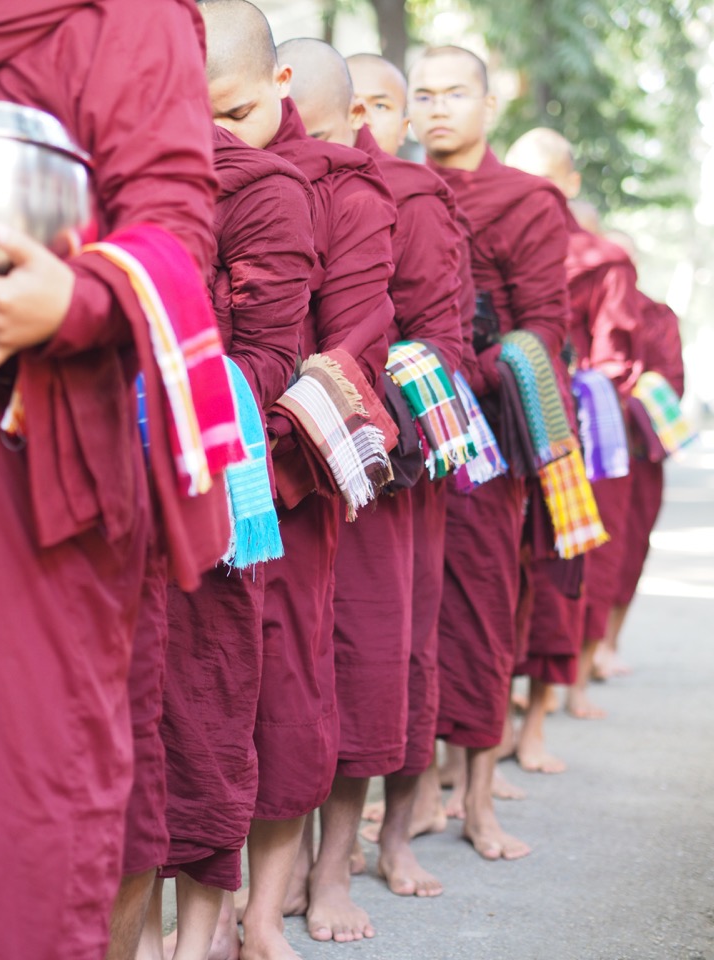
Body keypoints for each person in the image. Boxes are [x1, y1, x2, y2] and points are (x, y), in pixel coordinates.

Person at [0, 1, 231, 958]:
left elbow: (174, 230)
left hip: (30, 462)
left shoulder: (125, 18)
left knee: (32, 801)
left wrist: (77, 297)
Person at [197, 4, 397, 958]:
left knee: (287, 692)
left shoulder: (350, 196)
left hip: (288, 476)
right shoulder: (187, 173)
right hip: (192, 474)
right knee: (201, 695)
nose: (216, 139)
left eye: (232, 116)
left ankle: (270, 909)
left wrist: (264, 441)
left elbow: (358, 342)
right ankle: (199, 903)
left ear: (283, 93)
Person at [273, 41, 464, 939]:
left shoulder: (404, 198)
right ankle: (275, 872)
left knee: (368, 664)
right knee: (281, 677)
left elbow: (444, 345)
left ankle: (346, 858)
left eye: (393, 106)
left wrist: (350, 394)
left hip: (377, 469)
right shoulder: (245, 178)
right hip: (279, 464)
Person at [135, 125, 316, 960]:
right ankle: (130, 937)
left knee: (209, 710)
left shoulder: (266, 189)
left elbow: (275, 350)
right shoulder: (109, 155)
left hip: (216, 472)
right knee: (122, 729)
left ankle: (202, 933)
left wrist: (180, 390)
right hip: (104, 471)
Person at [407, 47, 571, 860]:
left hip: (483, 435)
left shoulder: (528, 201)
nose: (438, 108)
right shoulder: (397, 188)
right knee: (403, 615)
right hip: (403, 429)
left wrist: (481, 359)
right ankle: (413, 794)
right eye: (424, 94)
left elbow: (547, 323)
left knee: (477, 608)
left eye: (455, 93)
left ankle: (477, 800)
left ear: (487, 104)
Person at [506, 128, 644, 720]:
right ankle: (500, 708)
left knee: (563, 562)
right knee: (500, 568)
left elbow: (616, 358)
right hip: (503, 420)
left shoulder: (603, 260)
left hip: (572, 429)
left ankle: (546, 707)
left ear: (571, 184)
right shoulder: (490, 237)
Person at [597, 231, 685, 678]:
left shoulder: (656, 315)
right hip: (590, 447)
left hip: (636, 449)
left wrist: (622, 397)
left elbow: (671, 380)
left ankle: (608, 643)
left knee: (630, 547)